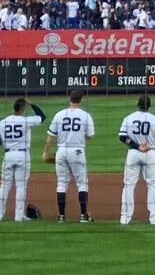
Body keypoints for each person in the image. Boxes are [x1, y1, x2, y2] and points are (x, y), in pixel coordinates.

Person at [43, 89, 94, 222]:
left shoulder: (59, 115)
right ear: (81, 100)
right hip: (77, 151)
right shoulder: (85, 115)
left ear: (69, 99)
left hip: (61, 152)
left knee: (61, 183)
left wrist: (45, 152)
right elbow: (90, 135)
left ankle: (61, 216)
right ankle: (83, 216)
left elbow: (50, 136)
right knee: (82, 183)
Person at [117, 94, 155, 225]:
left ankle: (125, 218)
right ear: (149, 106)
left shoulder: (129, 118)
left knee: (128, 186)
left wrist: (137, 146)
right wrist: (148, 144)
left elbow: (122, 137)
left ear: (137, 104)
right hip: (150, 153)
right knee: (152, 185)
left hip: (133, 153)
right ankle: (154, 218)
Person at [0, 97, 45, 221]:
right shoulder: (26, 121)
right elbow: (41, 116)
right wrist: (31, 103)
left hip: (8, 155)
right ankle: (18, 216)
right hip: (22, 155)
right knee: (21, 186)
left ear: (13, 108)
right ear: (23, 109)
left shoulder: (2, 122)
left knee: (4, 185)